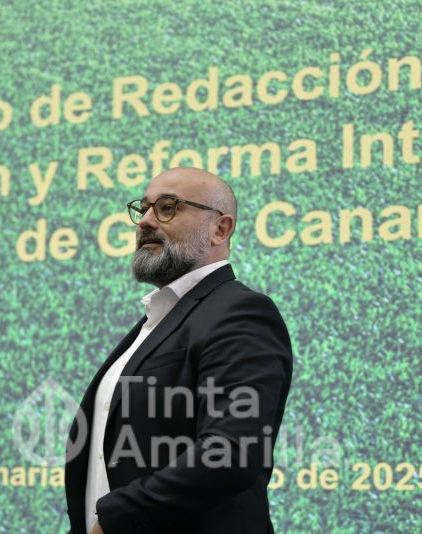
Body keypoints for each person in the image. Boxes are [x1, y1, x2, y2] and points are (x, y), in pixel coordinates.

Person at [64, 167, 293, 534]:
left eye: (168, 208)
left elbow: (230, 454)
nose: (146, 222)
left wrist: (115, 518)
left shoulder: (240, 312)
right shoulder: (157, 319)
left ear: (220, 228)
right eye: (144, 208)